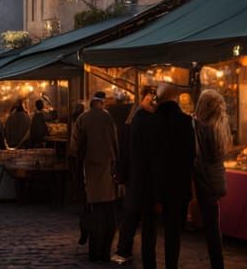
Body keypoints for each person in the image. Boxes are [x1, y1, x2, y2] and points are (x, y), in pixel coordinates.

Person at [130, 83, 195, 269]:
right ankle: (171, 265)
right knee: (173, 232)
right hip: (177, 184)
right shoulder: (184, 121)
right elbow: (191, 154)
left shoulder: (149, 120)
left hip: (152, 184)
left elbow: (141, 154)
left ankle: (149, 265)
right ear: (175, 99)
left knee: (149, 229)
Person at [71, 92, 124, 262]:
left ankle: (94, 251)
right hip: (107, 170)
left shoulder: (82, 119)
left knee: (94, 213)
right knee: (108, 215)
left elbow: (75, 147)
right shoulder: (108, 118)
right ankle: (104, 251)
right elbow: (116, 143)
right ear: (101, 104)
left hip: (90, 170)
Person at [114, 87, 158, 265]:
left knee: (138, 216)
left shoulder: (138, 120)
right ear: (143, 98)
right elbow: (125, 151)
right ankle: (126, 251)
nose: (153, 102)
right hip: (138, 177)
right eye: (150, 98)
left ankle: (130, 251)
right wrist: (122, 174)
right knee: (134, 216)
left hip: (141, 177)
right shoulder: (135, 121)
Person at [192, 89, 232, 269]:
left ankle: (218, 264)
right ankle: (218, 262)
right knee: (213, 225)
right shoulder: (220, 125)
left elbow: (198, 156)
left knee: (211, 228)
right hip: (217, 180)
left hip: (206, 181)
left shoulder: (202, 127)